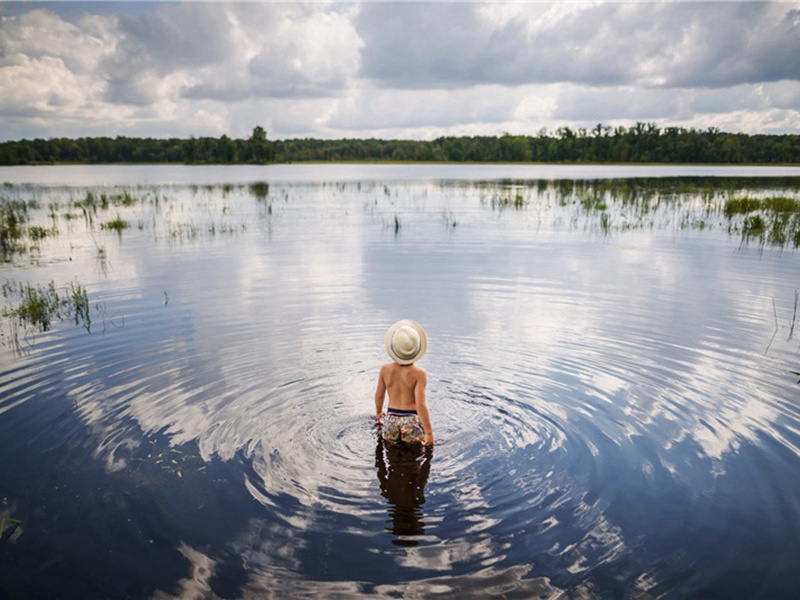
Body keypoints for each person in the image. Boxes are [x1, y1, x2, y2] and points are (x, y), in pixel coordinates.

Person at [375, 319, 434, 446]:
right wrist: (429, 433)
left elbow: (379, 395)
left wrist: (379, 413)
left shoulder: (385, 370)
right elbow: (421, 405)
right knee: (414, 455)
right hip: (411, 421)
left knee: (391, 451)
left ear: (393, 349)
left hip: (390, 419)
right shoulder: (419, 373)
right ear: (416, 350)